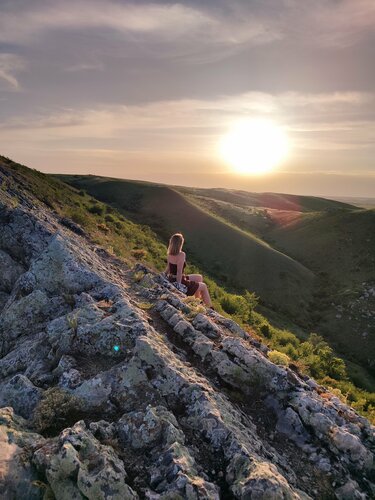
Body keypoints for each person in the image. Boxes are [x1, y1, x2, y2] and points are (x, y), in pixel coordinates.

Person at [165, 232, 212, 307]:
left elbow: (168, 268)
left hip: (173, 278)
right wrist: (178, 285)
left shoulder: (169, 254)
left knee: (199, 277)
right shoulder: (181, 254)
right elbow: (179, 271)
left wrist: (164, 275)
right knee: (204, 286)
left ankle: (197, 301)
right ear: (180, 244)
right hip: (179, 280)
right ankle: (210, 308)